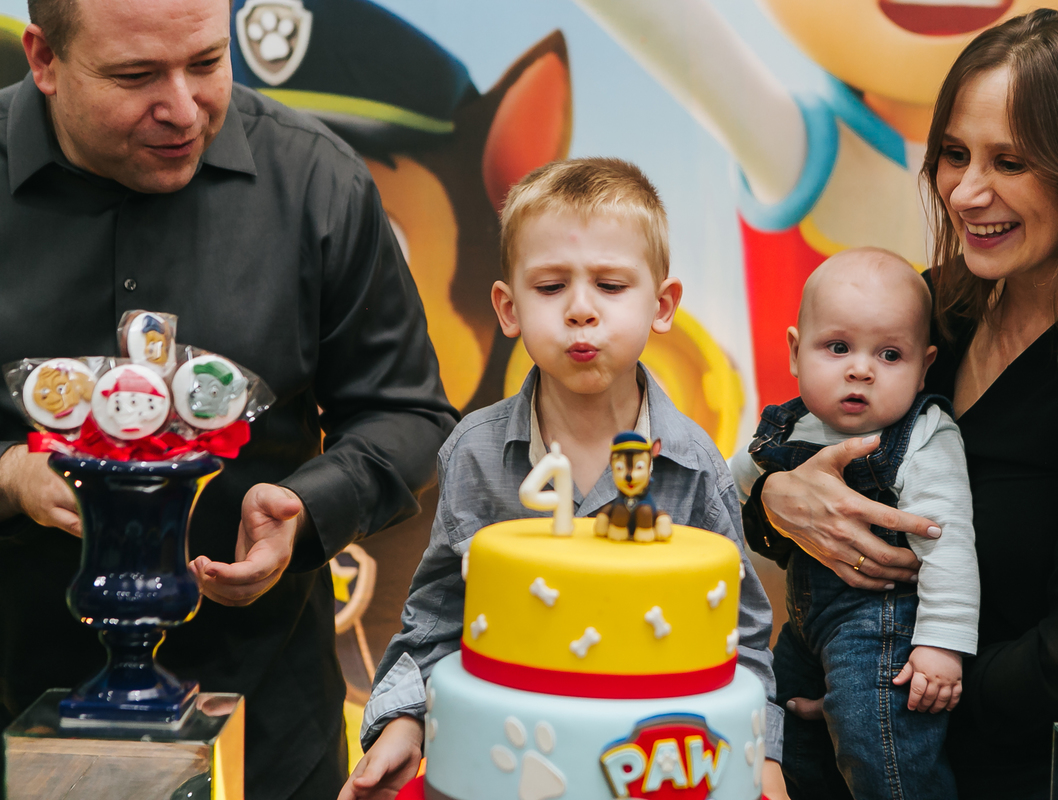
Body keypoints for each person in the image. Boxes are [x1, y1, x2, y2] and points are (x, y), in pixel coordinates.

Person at [0, 0, 458, 798]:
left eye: (207, 63)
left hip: (269, 734)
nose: (183, 109)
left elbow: (407, 414)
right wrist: (8, 475)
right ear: (44, 59)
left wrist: (307, 507)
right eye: (137, 75)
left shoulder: (316, 180)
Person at [756, 10, 1058, 800]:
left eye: (1011, 162)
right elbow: (798, 457)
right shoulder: (934, 309)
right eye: (955, 154)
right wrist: (775, 499)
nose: (965, 192)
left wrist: (884, 697)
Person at [341, 157, 790, 800]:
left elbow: (741, 637)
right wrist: (403, 721)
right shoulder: (473, 454)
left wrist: (763, 755)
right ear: (508, 308)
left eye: (611, 285)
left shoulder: (694, 463)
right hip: (507, 774)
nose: (581, 310)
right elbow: (437, 619)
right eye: (551, 287)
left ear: (662, 305)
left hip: (653, 771)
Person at [733, 247, 978, 799]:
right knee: (777, 728)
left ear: (924, 367)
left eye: (890, 355)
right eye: (838, 347)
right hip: (804, 626)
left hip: (883, 628)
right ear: (795, 352)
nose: (860, 369)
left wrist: (943, 645)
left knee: (879, 746)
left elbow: (948, 543)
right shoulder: (787, 428)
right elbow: (731, 489)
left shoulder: (923, 436)